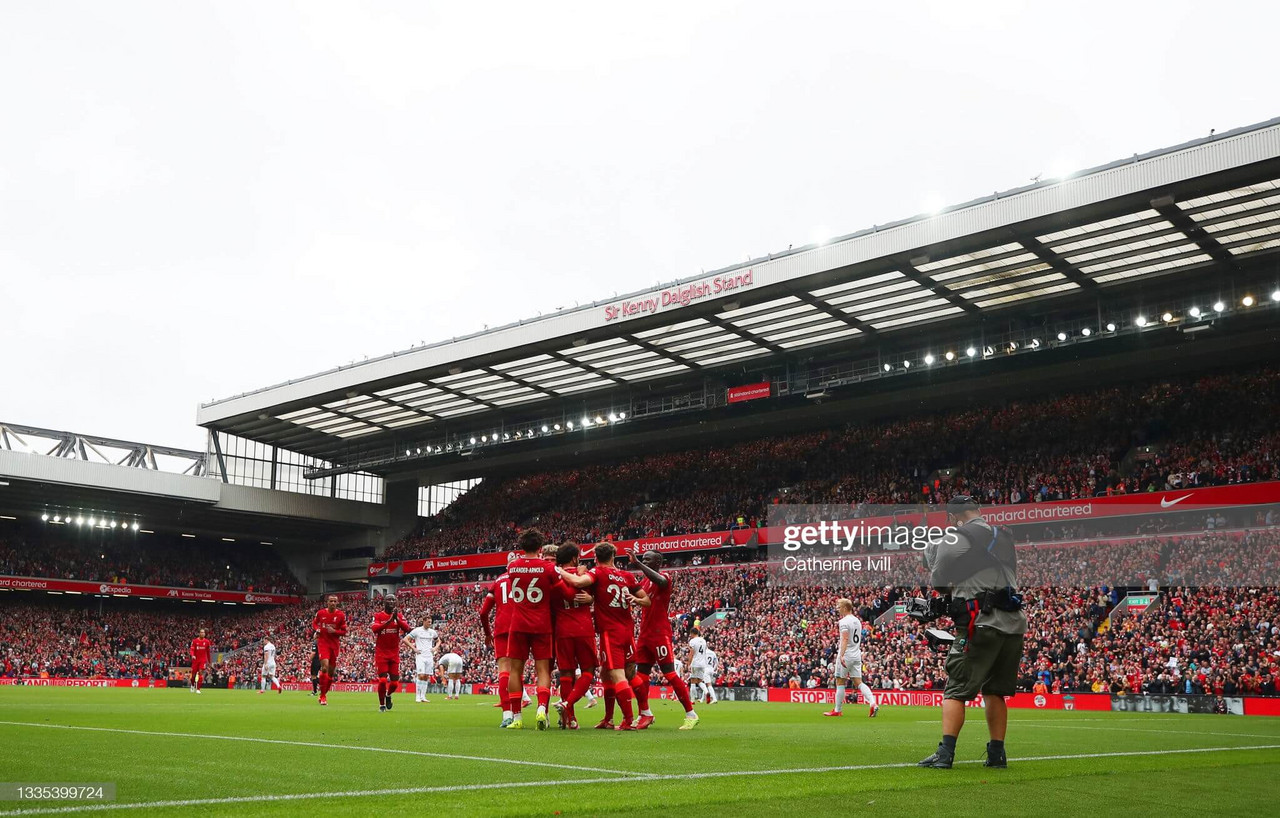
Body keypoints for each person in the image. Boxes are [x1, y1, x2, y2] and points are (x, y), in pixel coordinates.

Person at [918, 495, 1026, 769]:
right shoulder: (1004, 536)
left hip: (979, 623)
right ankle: (997, 754)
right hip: (1013, 624)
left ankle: (945, 754)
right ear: (978, 511)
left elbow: (939, 583)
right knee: (995, 691)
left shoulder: (954, 537)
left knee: (955, 689)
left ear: (953, 518)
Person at [505, 529, 591, 730]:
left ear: (521, 546)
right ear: (540, 548)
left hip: (518, 623)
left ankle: (517, 718)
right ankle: (542, 709)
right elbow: (569, 595)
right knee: (543, 670)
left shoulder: (512, 567)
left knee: (515, 670)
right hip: (542, 625)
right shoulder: (547, 569)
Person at [581, 542, 649, 730]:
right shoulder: (625, 575)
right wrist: (636, 600)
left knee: (616, 674)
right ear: (613, 557)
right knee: (616, 673)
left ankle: (628, 720)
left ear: (596, 558)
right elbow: (647, 600)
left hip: (610, 632)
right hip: (627, 630)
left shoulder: (596, 573)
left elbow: (580, 583)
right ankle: (622, 716)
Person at [630, 550, 699, 730]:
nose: (644, 560)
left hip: (660, 633)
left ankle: (691, 714)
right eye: (643, 558)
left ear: (658, 562)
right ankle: (645, 713)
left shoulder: (664, 577)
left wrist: (638, 564)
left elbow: (659, 581)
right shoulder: (644, 582)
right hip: (644, 634)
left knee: (669, 673)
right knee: (641, 676)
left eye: (647, 559)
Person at [549, 543, 598, 730]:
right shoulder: (585, 575)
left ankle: (571, 719)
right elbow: (595, 594)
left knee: (566, 673)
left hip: (562, 630)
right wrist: (592, 599)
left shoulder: (553, 577)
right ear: (574, 558)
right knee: (587, 671)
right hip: (583, 628)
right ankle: (568, 704)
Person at [822, 598, 878, 717]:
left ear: (845, 608)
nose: (838, 609)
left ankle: (837, 710)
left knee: (840, 681)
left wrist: (841, 655)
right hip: (856, 654)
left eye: (839, 607)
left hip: (846, 654)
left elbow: (845, 639)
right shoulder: (857, 620)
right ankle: (872, 703)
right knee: (858, 682)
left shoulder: (844, 622)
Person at [372, 594, 411, 711]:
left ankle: (388, 695)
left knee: (394, 683)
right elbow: (375, 629)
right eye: (388, 599)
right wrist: (389, 621)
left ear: (396, 602)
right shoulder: (378, 616)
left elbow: (407, 628)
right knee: (383, 680)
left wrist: (396, 619)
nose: (391, 601)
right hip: (381, 653)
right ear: (384, 602)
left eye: (393, 599)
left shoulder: (399, 616)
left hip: (394, 653)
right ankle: (382, 705)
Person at [311, 594, 348, 706]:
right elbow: (314, 623)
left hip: (334, 645)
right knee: (325, 668)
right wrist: (317, 630)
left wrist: (335, 631)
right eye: (331, 601)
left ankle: (323, 693)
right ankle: (323, 696)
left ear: (337, 603)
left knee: (331, 673)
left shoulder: (341, 615)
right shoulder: (321, 613)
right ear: (327, 602)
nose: (332, 603)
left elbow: (344, 631)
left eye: (334, 601)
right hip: (323, 643)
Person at [402, 618, 439, 703]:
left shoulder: (432, 632)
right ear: (424, 622)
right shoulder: (417, 631)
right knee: (421, 675)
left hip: (429, 656)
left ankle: (423, 697)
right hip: (420, 656)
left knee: (426, 676)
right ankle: (417, 696)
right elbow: (405, 639)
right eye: (428, 622)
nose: (430, 623)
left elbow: (438, 641)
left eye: (431, 622)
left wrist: (435, 648)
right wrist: (414, 648)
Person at [685, 628, 709, 703]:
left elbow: (691, 653)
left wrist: (688, 664)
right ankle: (706, 692)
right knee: (699, 681)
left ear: (692, 633)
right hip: (703, 663)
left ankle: (692, 700)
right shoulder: (703, 641)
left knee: (693, 681)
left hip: (695, 662)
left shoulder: (692, 641)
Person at [189, 628, 211, 694]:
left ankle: (198, 689)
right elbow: (192, 650)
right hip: (195, 660)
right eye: (201, 632)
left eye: (203, 632)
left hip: (202, 660)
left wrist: (209, 662)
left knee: (201, 673)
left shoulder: (207, 642)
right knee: (193, 676)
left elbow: (208, 653)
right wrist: (192, 655)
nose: (202, 633)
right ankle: (192, 685)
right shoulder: (195, 641)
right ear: (199, 633)